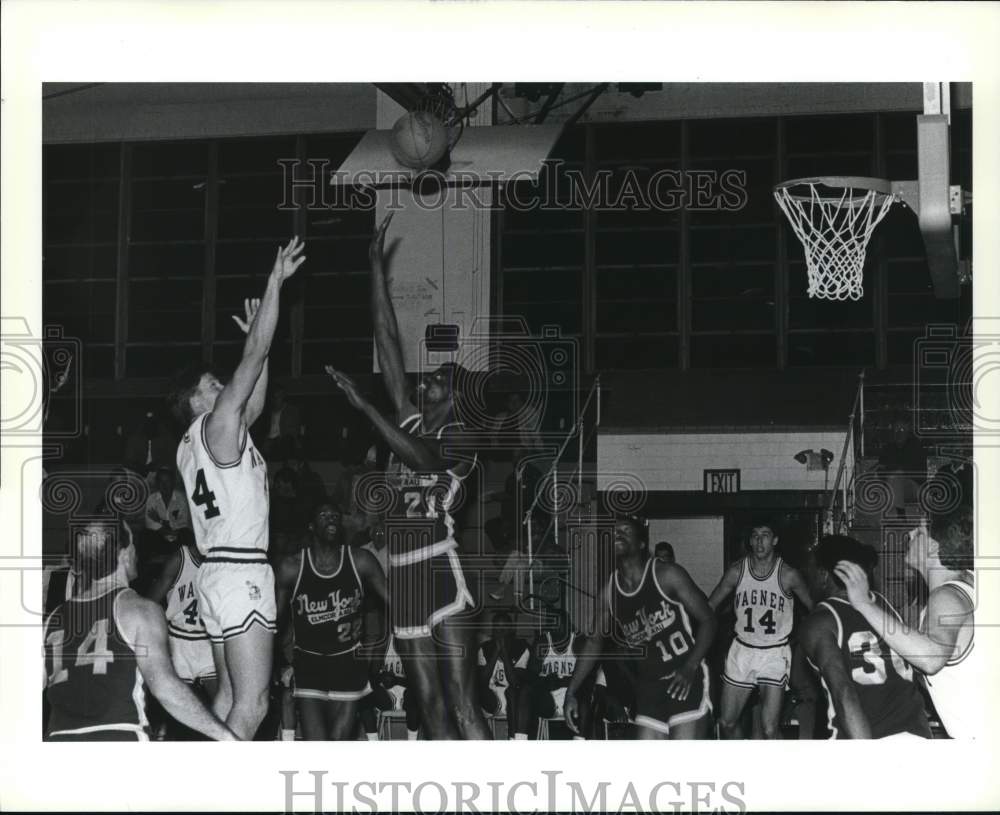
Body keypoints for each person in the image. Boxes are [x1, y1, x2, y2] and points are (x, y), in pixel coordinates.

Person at [326, 213, 489, 740]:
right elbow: (387, 335)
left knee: (464, 707)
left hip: (440, 569)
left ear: (458, 396)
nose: (429, 379)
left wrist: (365, 409)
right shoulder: (412, 420)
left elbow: (423, 459)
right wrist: (374, 265)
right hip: (404, 578)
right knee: (430, 707)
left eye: (441, 377)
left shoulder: (463, 437)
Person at [170, 236, 306, 740]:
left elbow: (253, 405)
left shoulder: (198, 442)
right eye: (211, 384)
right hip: (241, 570)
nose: (220, 385)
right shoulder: (214, 424)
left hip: (217, 575)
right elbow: (253, 358)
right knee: (253, 706)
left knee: (227, 700)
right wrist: (275, 286)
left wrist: (259, 354)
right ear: (195, 401)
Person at [43, 519, 237, 741]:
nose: (137, 552)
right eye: (134, 544)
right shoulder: (140, 609)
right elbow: (165, 688)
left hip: (57, 742)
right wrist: (226, 736)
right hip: (118, 735)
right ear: (124, 554)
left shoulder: (54, 617)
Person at [565, 515, 717, 740]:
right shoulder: (609, 593)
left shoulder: (667, 574)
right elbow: (594, 642)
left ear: (642, 543)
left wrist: (690, 667)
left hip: (684, 677)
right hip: (648, 687)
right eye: (614, 531)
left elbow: (709, 620)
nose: (618, 534)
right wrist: (571, 691)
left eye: (625, 530)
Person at [835, 507, 977, 739]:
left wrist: (863, 603)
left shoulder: (947, 597)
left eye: (918, 532)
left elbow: (931, 660)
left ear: (933, 545)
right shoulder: (968, 581)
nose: (910, 534)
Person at [274, 501, 388, 740]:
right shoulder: (291, 567)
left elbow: (395, 603)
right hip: (309, 662)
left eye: (336, 515)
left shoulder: (361, 561)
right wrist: (277, 664)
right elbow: (275, 622)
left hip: (348, 662)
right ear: (311, 525)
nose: (331, 518)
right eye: (324, 514)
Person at [800, 534, 931, 739]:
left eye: (810, 571)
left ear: (823, 575)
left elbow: (844, 694)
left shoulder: (820, 621)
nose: (807, 578)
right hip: (916, 734)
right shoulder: (882, 605)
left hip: (868, 738)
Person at [707, 518, 813, 739]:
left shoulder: (788, 574)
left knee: (769, 728)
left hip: (774, 652)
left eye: (765, 535)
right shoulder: (737, 571)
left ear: (774, 540)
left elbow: (814, 609)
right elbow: (709, 606)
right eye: (755, 536)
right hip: (742, 650)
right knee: (726, 722)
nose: (759, 541)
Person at [144, 531, 217, 739]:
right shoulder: (179, 559)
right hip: (179, 641)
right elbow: (150, 602)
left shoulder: (219, 562)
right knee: (178, 712)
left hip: (207, 642)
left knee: (223, 705)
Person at [529, 609, 589, 740]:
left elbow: (588, 676)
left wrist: (563, 682)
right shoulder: (542, 642)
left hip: (573, 697)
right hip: (548, 697)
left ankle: (579, 739)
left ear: (568, 624)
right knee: (532, 695)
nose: (555, 627)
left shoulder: (579, 642)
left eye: (558, 623)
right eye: (551, 623)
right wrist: (545, 682)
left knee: (585, 698)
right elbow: (530, 677)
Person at [476, 610, 531, 739]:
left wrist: (505, 653)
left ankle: (513, 738)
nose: (500, 632)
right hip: (491, 700)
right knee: (478, 689)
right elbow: (482, 681)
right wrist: (495, 652)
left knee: (514, 691)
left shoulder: (522, 647)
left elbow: (515, 682)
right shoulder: (484, 648)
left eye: (504, 627)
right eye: (497, 628)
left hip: (515, 701)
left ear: (511, 629)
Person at [144, 465, 190, 544]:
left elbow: (183, 523)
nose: (164, 485)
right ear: (157, 484)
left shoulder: (181, 498)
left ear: (173, 482)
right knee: (145, 535)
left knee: (186, 534)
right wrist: (167, 531)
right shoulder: (151, 499)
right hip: (159, 535)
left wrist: (160, 520)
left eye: (167, 481)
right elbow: (150, 523)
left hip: (178, 535)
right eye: (161, 482)